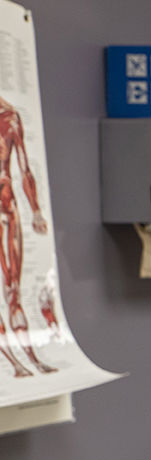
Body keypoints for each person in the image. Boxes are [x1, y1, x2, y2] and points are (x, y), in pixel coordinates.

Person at [0, 94, 55, 378]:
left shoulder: (9, 118)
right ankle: (16, 363)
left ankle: (29, 360)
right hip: (6, 207)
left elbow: (24, 169)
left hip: (7, 208)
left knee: (13, 290)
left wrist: (35, 211)